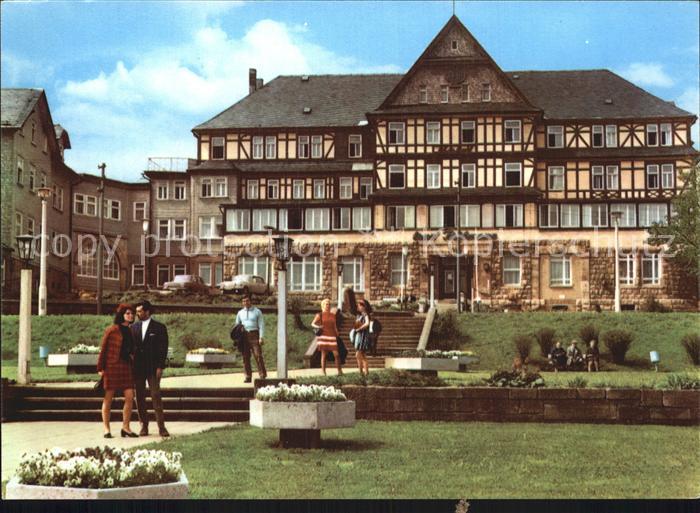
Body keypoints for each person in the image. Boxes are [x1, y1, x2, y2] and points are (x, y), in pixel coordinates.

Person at [97, 303, 138, 438]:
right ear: (121, 315)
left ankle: (126, 427)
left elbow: (132, 350)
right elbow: (103, 350)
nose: (130, 316)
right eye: (127, 313)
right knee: (108, 398)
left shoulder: (131, 331)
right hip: (112, 367)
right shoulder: (112, 330)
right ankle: (106, 429)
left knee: (130, 397)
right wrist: (100, 368)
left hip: (126, 367)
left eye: (132, 313)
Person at [132, 300, 169, 437]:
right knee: (139, 397)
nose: (138, 314)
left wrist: (160, 366)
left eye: (140, 311)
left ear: (147, 311)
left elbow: (162, 349)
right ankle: (144, 426)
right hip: (138, 368)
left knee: (155, 395)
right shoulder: (134, 327)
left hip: (153, 367)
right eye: (136, 312)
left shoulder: (159, 327)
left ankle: (161, 427)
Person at [235, 295, 267, 383]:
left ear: (250, 301)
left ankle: (262, 375)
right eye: (244, 301)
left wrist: (261, 337)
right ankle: (248, 376)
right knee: (245, 357)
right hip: (244, 336)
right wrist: (237, 339)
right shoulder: (240, 313)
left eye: (247, 301)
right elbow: (237, 326)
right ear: (242, 303)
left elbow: (261, 325)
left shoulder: (257, 312)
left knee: (258, 356)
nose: (246, 303)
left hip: (254, 335)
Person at [311, 298, 343, 375]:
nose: (328, 305)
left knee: (336, 354)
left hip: (332, 335)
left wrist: (337, 333)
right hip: (323, 336)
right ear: (323, 305)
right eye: (326, 304)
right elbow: (312, 323)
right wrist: (318, 327)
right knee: (324, 354)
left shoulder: (333, 315)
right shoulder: (320, 315)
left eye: (329, 304)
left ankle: (339, 371)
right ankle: (323, 371)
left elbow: (334, 325)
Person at [352, 299, 372, 377]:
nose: (358, 306)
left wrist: (360, 328)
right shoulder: (359, 315)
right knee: (362, 355)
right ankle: (364, 372)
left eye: (359, 305)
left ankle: (362, 372)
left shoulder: (365, 314)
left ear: (363, 307)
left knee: (359, 354)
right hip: (359, 337)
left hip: (363, 337)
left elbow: (367, 324)